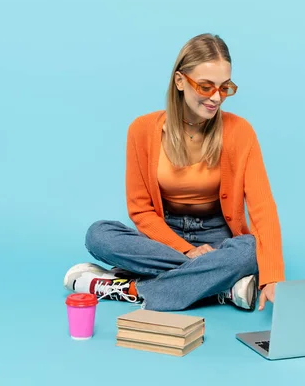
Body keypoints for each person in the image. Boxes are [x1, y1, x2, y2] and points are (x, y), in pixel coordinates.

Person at [63, 33, 285, 312]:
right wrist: (187, 251)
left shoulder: (240, 132)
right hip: (162, 239)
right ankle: (222, 286)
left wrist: (273, 277)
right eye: (205, 87)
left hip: (218, 239)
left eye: (224, 87)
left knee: (251, 250)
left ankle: (130, 289)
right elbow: (140, 209)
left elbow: (262, 206)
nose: (216, 98)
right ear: (180, 81)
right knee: (98, 234)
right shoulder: (141, 130)